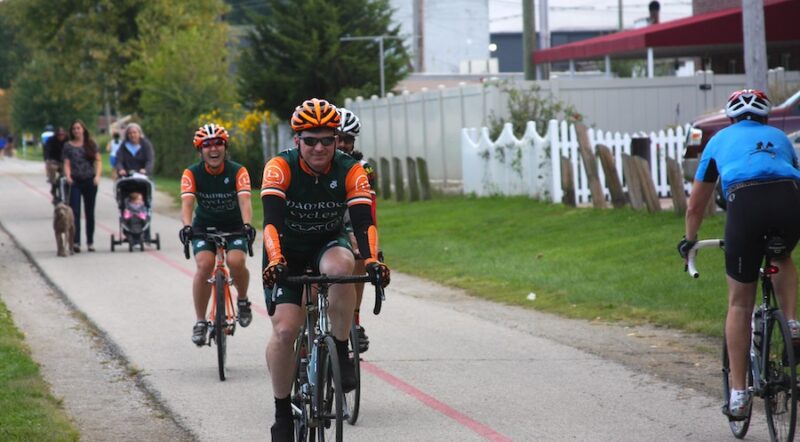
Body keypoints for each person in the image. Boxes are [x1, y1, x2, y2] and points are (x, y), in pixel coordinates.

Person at [261, 98, 390, 441]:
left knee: (343, 267)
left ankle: (342, 346)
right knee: (286, 332)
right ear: (296, 140)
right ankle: (282, 412)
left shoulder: (350, 169)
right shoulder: (279, 167)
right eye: (310, 140)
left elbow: (364, 224)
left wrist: (374, 259)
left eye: (327, 140)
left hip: (326, 243)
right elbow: (270, 223)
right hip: (284, 250)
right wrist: (275, 259)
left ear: (338, 139)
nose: (319, 147)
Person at [678, 89, 800, 418]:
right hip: (790, 200)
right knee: (781, 255)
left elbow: (695, 204)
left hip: (746, 205)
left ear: (731, 117)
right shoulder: (781, 137)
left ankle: (738, 395)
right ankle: (791, 322)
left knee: (740, 302)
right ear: (765, 116)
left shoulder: (717, 139)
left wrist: (690, 240)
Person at [178, 123, 255, 346]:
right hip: (204, 226)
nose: (213, 149)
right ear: (200, 150)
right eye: (207, 145)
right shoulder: (192, 172)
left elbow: (245, 200)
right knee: (204, 264)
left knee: (236, 260)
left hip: (234, 226)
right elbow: (187, 203)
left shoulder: (238, 171)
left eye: (218, 144)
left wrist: (248, 224)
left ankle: (242, 300)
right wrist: (186, 226)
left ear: (225, 147)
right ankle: (201, 322)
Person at [336, 107, 379, 353]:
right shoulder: (318, 161)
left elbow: (370, 213)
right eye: (338, 138)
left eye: (348, 140)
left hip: (352, 218)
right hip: (323, 220)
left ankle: (355, 319)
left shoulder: (364, 168)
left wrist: (372, 248)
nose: (342, 145)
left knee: (360, 255)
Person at [63, 120, 102, 253]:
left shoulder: (91, 144)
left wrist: (97, 176)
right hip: (75, 181)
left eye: (78, 128)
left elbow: (98, 161)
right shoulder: (68, 146)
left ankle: (90, 241)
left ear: (83, 130)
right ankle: (76, 241)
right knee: (75, 212)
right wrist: (68, 176)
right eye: (74, 129)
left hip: (89, 180)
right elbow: (67, 163)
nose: (76, 131)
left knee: (89, 212)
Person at [44, 127, 68, 201]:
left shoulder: (68, 140)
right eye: (59, 135)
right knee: (52, 167)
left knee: (65, 174)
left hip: (64, 160)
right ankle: (53, 185)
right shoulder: (51, 140)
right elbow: (47, 150)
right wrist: (47, 158)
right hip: (54, 159)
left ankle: (65, 189)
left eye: (62, 134)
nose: (61, 136)